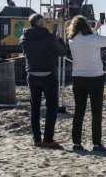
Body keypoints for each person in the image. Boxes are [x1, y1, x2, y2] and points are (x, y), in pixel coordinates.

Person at [67, 15, 106, 152]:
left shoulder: (72, 40)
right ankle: (96, 143)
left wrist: (96, 29)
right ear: (85, 26)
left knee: (79, 111)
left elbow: (85, 39)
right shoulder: (93, 39)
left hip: (78, 77)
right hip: (95, 77)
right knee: (96, 112)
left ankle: (76, 142)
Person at [20, 13, 68, 149]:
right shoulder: (50, 38)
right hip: (47, 74)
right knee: (51, 107)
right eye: (45, 22)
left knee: (34, 107)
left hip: (32, 74)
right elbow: (62, 52)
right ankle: (48, 139)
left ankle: (36, 139)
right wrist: (59, 39)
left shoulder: (23, 38)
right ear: (41, 24)